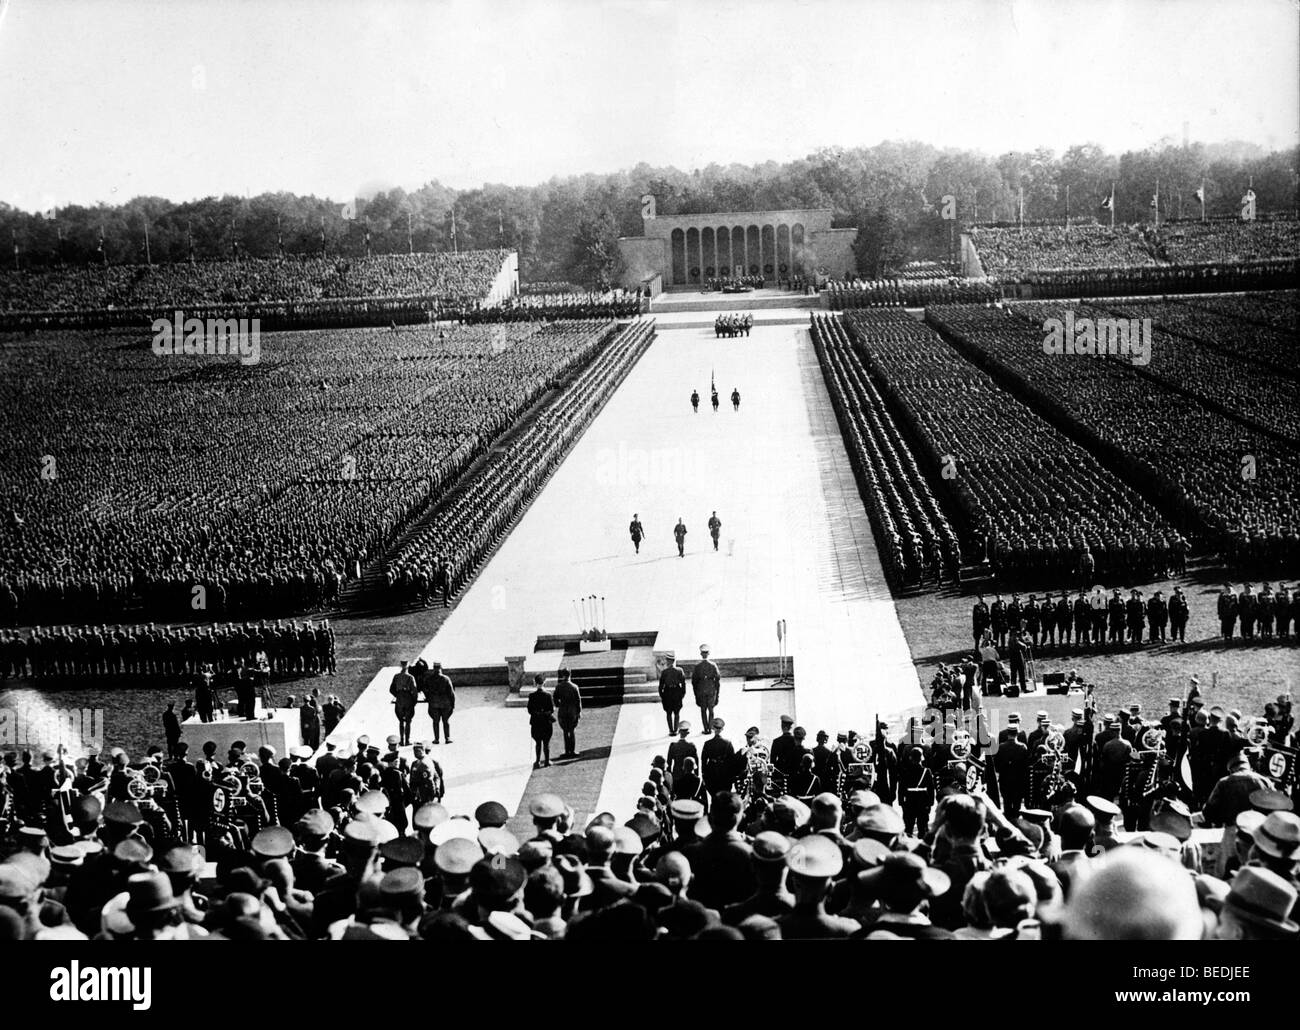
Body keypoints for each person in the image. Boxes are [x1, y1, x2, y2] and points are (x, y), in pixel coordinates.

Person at [701, 720, 738, 799]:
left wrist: (704, 774)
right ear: (722, 729)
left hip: (712, 772)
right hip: (724, 773)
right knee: (725, 798)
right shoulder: (728, 743)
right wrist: (732, 777)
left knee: (714, 797)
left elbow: (703, 761)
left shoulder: (708, 743)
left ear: (713, 729)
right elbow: (732, 761)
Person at [423, 661, 455, 744]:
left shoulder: (429, 679)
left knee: (435, 721)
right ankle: (447, 738)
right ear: (441, 668)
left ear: (434, 668)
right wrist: (453, 704)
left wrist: (428, 698)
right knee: (446, 721)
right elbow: (451, 693)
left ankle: (436, 739)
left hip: (434, 703)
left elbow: (425, 690)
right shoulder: (446, 678)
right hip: (445, 704)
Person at [553, 669, 582, 760]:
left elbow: (555, 698)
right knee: (572, 730)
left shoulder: (559, 686)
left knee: (565, 731)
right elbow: (578, 701)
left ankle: (567, 751)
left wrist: (558, 705)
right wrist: (579, 711)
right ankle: (572, 751)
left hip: (563, 711)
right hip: (572, 711)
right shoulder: (574, 687)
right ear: (570, 675)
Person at [526, 677, 555, 769]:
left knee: (538, 743)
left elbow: (529, 710)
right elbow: (552, 709)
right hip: (546, 721)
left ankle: (537, 761)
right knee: (546, 743)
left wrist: (537, 713)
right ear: (544, 683)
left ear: (535, 683)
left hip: (536, 722)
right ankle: (547, 761)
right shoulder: (548, 695)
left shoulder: (532, 695)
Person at [389, 660, 419, 748]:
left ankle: (401, 741)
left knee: (401, 721)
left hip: (399, 700)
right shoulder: (410, 677)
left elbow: (391, 689)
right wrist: (414, 701)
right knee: (408, 721)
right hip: (408, 699)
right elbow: (414, 691)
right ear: (408, 666)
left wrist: (398, 695)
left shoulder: (396, 676)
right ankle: (407, 740)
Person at [691, 645, 720, 729]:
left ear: (701, 654)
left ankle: (705, 728)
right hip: (711, 690)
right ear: (709, 653)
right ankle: (710, 728)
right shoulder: (713, 665)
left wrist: (696, 693)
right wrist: (717, 692)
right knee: (711, 710)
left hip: (701, 690)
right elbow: (717, 680)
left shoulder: (697, 667)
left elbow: (694, 682)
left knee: (703, 710)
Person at [657, 654, 686, 734]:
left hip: (668, 692)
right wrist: (682, 694)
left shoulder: (665, 672)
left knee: (669, 713)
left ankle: (671, 730)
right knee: (676, 712)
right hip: (676, 692)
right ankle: (675, 730)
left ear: (669, 661)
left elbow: (661, 686)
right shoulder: (679, 670)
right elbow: (683, 684)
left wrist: (662, 695)